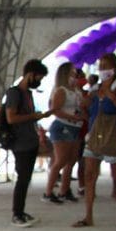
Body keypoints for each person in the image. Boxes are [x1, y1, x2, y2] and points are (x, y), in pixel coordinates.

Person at [73, 52, 116, 227]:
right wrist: (84, 107)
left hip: (115, 134)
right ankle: (88, 215)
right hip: (95, 134)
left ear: (114, 68)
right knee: (89, 173)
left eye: (106, 66)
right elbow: (88, 113)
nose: (103, 70)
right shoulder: (95, 90)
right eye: (100, 66)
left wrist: (113, 98)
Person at [5, 59, 52, 227]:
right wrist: (35, 116)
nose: (39, 81)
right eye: (39, 77)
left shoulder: (29, 94)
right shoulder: (14, 93)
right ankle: (16, 214)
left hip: (30, 140)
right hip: (20, 143)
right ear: (30, 74)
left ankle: (21, 211)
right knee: (22, 179)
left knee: (26, 179)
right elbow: (11, 118)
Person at [44, 62, 85, 204]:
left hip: (75, 127)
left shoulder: (76, 90)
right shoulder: (61, 90)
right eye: (72, 73)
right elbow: (55, 110)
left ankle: (64, 190)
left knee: (71, 160)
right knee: (60, 160)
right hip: (63, 127)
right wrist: (74, 117)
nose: (75, 76)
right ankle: (48, 192)